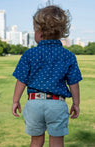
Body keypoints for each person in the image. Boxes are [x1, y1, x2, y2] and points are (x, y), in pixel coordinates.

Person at [12, 5, 82, 147]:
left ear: (40, 32)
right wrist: (76, 103)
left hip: (34, 103)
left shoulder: (29, 54)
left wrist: (15, 101)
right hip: (57, 104)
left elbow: (21, 80)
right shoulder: (68, 56)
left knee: (36, 142)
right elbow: (74, 83)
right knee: (57, 142)